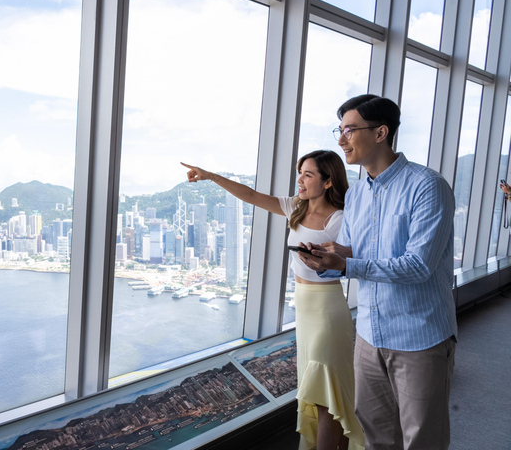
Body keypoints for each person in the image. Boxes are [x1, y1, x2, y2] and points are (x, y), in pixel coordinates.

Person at [298, 94, 458, 450]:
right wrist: (330, 255)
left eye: (349, 130)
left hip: (420, 336)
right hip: (370, 335)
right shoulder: (355, 195)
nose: (341, 140)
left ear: (381, 132)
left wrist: (346, 263)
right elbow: (355, 252)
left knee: (422, 440)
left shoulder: (426, 186)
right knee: (376, 437)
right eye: (339, 130)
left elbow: (418, 265)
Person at [182, 151, 364, 450]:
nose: (300, 179)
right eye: (300, 172)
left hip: (327, 307)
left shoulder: (339, 219)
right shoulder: (296, 206)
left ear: (329, 181)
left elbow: (359, 255)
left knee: (325, 396)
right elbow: (252, 195)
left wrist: (338, 253)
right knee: (320, 393)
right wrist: (211, 176)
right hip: (305, 307)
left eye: (308, 174)